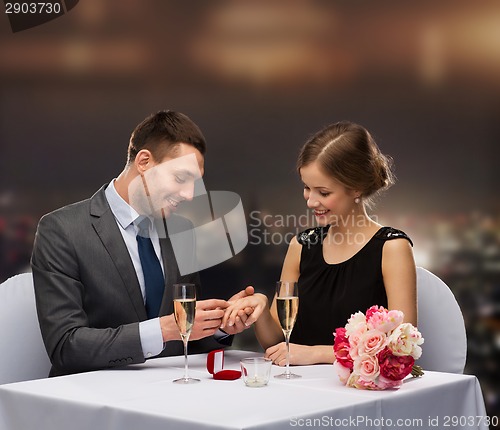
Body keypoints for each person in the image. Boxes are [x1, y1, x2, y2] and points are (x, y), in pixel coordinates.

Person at [31, 110, 252, 377]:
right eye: (181, 178)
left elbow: (184, 339)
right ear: (144, 161)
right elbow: (66, 347)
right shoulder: (62, 230)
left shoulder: (181, 231)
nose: (189, 195)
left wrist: (219, 326)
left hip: (171, 392)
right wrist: (164, 328)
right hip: (92, 399)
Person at [222, 121, 416, 366]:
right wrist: (259, 307)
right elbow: (276, 343)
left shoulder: (392, 248)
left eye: (323, 192)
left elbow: (402, 346)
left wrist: (316, 354)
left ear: (356, 188)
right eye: (306, 188)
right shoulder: (300, 246)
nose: (311, 201)